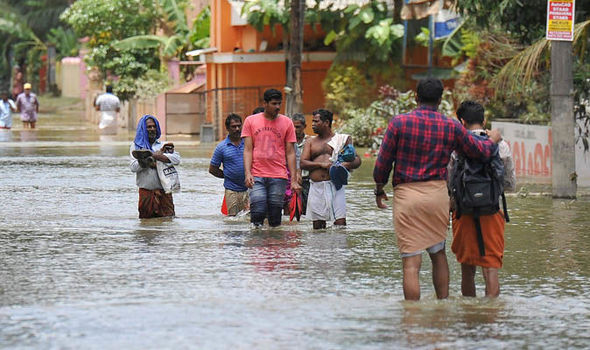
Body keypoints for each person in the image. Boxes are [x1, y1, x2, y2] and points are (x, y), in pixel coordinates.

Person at [372, 78, 502, 301]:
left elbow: (383, 163)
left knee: (411, 264)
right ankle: (442, 306)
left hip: (407, 195)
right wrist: (494, 140)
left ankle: (412, 315)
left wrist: (379, 188)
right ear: (440, 99)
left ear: (416, 97)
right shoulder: (450, 125)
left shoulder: (398, 123)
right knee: (438, 254)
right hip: (437, 196)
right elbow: (478, 151)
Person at [449, 101, 516, 298]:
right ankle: (490, 315)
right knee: (491, 268)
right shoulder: (500, 144)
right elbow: (509, 182)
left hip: (463, 212)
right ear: (484, 120)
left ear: (462, 121)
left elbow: (450, 180)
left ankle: (470, 316)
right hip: (492, 210)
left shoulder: (457, 146)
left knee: (467, 269)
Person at [242, 88, 300, 227]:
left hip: (279, 175)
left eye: (279, 103)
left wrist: (294, 179)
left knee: (275, 215)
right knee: (258, 211)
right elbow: (248, 149)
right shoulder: (250, 121)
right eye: (274, 103)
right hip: (257, 174)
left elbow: (291, 152)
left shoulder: (287, 123)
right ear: (265, 103)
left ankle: (274, 244)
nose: (278, 107)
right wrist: (248, 173)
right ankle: (256, 244)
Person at [300, 108, 361, 229]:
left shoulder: (343, 139)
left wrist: (345, 165)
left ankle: (338, 248)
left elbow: (357, 160)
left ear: (326, 123)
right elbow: (302, 163)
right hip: (316, 187)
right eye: (312, 121)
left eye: (316, 121)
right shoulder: (310, 142)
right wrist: (321, 165)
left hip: (335, 185)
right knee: (318, 226)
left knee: (340, 223)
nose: (312, 124)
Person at [130, 115, 181, 219]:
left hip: (165, 193)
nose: (152, 129)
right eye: (149, 127)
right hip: (146, 194)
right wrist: (146, 160)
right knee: (146, 226)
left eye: (154, 126)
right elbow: (133, 168)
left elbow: (176, 159)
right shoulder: (136, 147)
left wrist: (157, 156)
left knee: (167, 225)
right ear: (143, 129)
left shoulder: (164, 146)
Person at [209, 113, 249, 216]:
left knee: (250, 219)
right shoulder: (221, 147)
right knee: (232, 220)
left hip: (250, 188)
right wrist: (228, 175)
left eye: (239, 126)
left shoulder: (249, 143)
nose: (237, 129)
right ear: (227, 128)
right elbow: (212, 169)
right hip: (231, 190)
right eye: (233, 126)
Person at [292, 113, 310, 215]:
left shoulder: (310, 141)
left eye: (298, 127)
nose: (295, 129)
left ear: (304, 127)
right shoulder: (287, 142)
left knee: (305, 211)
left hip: (306, 181)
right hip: (290, 181)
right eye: (293, 126)